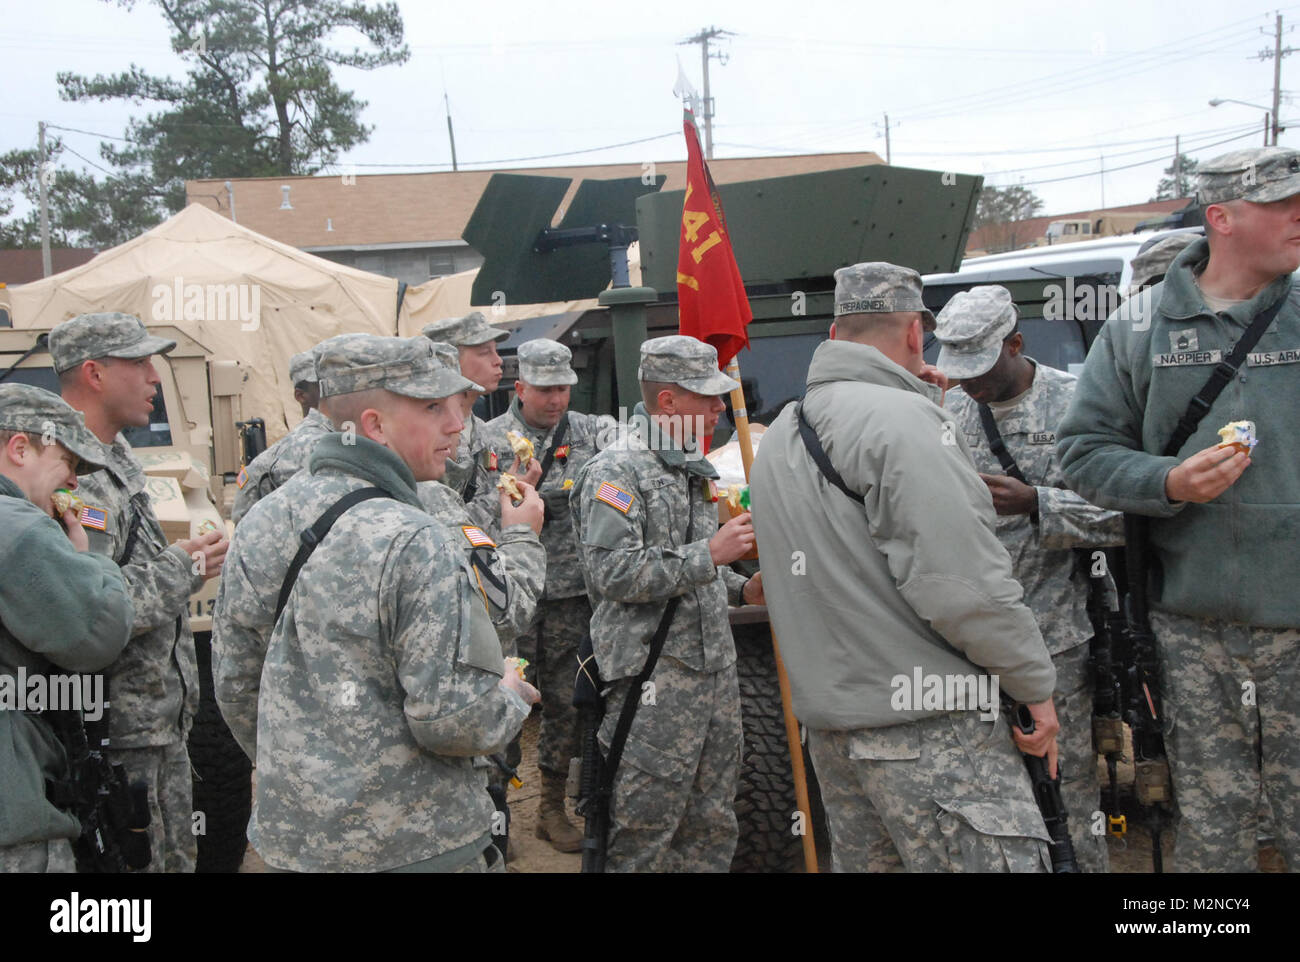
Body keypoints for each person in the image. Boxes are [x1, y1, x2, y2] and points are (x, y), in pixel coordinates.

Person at [749, 262, 1060, 873]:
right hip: (933, 731)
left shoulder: (782, 432)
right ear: (917, 334)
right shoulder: (905, 424)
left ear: (835, 336)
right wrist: (1035, 687)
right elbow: (961, 587)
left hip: (837, 735)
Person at [1057, 146, 1300, 872]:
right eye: (1283, 204)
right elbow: (1084, 452)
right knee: (1211, 827)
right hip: (1192, 628)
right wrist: (1169, 483)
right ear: (1221, 218)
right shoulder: (1138, 330)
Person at [212, 334, 539, 872]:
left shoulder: (263, 521)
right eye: (432, 408)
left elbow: (236, 684)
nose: (456, 424)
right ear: (374, 426)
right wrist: (508, 692)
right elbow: (457, 721)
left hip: (301, 847)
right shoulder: (417, 536)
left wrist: (308, 769)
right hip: (419, 848)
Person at [933, 285, 1124, 873]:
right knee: (993, 798)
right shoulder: (951, 412)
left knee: (1066, 789)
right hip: (974, 640)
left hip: (1056, 637)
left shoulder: (1083, 405)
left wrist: (1039, 503)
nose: (971, 385)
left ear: (1016, 343)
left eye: (982, 370)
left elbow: (1130, 515)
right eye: (959, 373)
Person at [570, 335, 763, 872]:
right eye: (707, 397)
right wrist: (712, 554)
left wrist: (741, 589)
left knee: (713, 820)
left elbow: (688, 578)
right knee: (645, 826)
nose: (719, 408)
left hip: (713, 672)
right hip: (652, 682)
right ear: (669, 402)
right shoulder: (616, 471)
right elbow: (613, 572)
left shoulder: (691, 467)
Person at [52, 312, 229, 873]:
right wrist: (187, 565)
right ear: (94, 374)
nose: (155, 376)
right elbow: (94, 610)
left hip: (156, 725)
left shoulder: (118, 457)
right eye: (139, 363)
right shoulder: (70, 476)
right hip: (116, 735)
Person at [483, 338, 617, 852]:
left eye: (562, 388)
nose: (555, 399)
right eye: (544, 390)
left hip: (568, 595)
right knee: (502, 700)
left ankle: (550, 810)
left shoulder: (591, 434)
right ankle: (496, 818)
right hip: (510, 594)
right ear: (520, 388)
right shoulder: (490, 440)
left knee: (566, 705)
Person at [0, 384, 132, 873]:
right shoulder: (19, 527)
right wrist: (88, 561)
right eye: (67, 463)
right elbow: (95, 633)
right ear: (20, 448)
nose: (73, 484)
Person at [421, 312, 541, 528]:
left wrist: (514, 489)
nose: (498, 361)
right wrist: (501, 496)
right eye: (485, 353)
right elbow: (448, 524)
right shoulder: (428, 440)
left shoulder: (483, 431)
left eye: (495, 351)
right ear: (449, 360)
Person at [231, 347, 333, 524]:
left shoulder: (350, 437)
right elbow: (244, 520)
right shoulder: (282, 456)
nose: (332, 392)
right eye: (322, 386)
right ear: (300, 396)